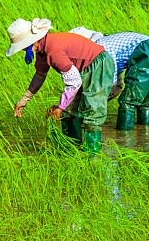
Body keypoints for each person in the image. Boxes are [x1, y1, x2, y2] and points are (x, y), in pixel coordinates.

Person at [7, 18, 114, 153]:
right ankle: (72, 152)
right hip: (83, 69)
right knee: (69, 112)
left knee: (92, 112)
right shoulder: (42, 50)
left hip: (98, 64)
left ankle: (92, 157)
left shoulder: (53, 50)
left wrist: (60, 107)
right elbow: (39, 76)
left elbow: (74, 82)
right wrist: (24, 100)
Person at [69, 27, 149, 131]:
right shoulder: (112, 40)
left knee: (127, 102)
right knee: (147, 102)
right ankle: (146, 135)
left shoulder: (100, 46)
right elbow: (116, 82)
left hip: (148, 54)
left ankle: (125, 138)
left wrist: (90, 104)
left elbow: (109, 82)